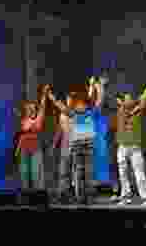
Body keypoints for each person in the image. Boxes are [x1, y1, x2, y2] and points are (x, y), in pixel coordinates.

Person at [48, 77, 106, 205]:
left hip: (88, 145)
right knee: (78, 172)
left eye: (82, 104)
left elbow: (99, 100)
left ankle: (89, 196)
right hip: (77, 146)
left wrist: (99, 87)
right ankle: (80, 197)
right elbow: (61, 107)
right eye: (77, 104)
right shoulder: (73, 113)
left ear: (85, 104)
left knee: (89, 172)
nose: (79, 106)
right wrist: (52, 97)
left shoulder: (91, 112)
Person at [113, 83, 146, 205]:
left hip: (135, 147)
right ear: (123, 100)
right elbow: (113, 98)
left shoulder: (138, 110)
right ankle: (125, 197)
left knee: (139, 173)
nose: (128, 101)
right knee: (123, 174)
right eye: (126, 99)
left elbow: (144, 97)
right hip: (122, 147)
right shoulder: (120, 110)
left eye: (130, 98)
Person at [13, 84, 50, 192]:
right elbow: (21, 137)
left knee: (36, 173)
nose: (30, 109)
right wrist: (17, 150)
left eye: (32, 108)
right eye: (28, 108)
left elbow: (43, 106)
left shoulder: (38, 118)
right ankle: (26, 194)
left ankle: (38, 194)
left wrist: (44, 94)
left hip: (35, 148)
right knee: (24, 173)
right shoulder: (23, 119)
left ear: (35, 109)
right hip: (24, 148)